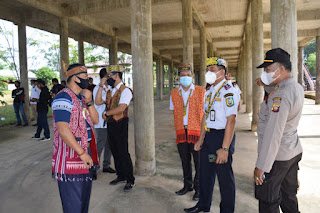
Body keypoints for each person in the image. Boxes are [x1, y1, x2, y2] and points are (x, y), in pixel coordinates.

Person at [184, 57, 240, 213]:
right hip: (208, 138)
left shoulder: (229, 91)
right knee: (205, 173)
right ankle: (203, 205)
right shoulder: (208, 91)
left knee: (224, 178)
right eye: (207, 70)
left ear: (222, 72)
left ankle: (227, 210)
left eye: (213, 70)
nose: (209, 72)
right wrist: (201, 139)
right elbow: (205, 116)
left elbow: (231, 121)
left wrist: (225, 148)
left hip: (222, 138)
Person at [253, 48, 304, 213]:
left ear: (281, 69)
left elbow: (273, 133)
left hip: (277, 157)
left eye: (268, 70)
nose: (265, 74)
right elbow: (278, 92)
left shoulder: (280, 96)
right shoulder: (294, 87)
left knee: (268, 200)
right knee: (288, 198)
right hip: (292, 151)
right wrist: (265, 85)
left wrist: (262, 165)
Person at [51, 62, 99, 213]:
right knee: (73, 206)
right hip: (71, 159)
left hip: (84, 156)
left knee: (83, 203)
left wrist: (90, 101)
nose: (88, 79)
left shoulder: (81, 99)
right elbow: (63, 129)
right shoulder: (63, 97)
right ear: (75, 78)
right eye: (85, 76)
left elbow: (96, 120)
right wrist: (82, 153)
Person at [95, 65, 135, 192]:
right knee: (115, 150)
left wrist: (107, 113)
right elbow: (97, 102)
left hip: (121, 123)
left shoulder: (126, 90)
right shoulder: (109, 91)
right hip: (111, 124)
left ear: (116, 75)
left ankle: (130, 179)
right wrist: (101, 86)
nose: (108, 78)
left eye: (109, 75)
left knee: (123, 151)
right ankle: (121, 175)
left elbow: (122, 108)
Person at [170, 63, 205, 201]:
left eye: (188, 75)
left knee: (199, 163)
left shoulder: (201, 91)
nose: (185, 77)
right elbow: (174, 111)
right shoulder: (174, 93)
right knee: (185, 161)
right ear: (178, 77)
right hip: (181, 132)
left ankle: (198, 189)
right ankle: (187, 185)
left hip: (196, 132)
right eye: (183, 75)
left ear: (192, 77)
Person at [92, 68, 116, 174]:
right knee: (100, 145)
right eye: (109, 75)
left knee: (109, 144)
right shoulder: (98, 88)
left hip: (109, 120)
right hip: (101, 121)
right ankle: (94, 167)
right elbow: (98, 102)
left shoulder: (110, 88)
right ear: (104, 77)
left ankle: (106, 165)